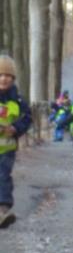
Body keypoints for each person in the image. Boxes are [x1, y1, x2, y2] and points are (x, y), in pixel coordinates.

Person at [0, 54, 32, 228]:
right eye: (0, 75)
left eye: (7, 76)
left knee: (3, 177)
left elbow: (27, 118)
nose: (3, 79)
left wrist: (15, 128)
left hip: (6, 149)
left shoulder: (18, 100)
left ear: (13, 79)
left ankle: (2, 210)